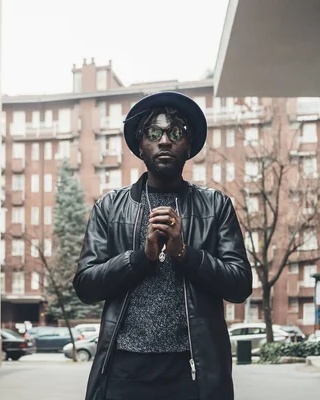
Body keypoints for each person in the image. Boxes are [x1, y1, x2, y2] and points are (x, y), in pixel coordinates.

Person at [73, 91, 252, 400]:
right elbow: (86, 285)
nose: (165, 140)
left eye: (176, 132)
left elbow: (240, 285)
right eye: (154, 133)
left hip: (191, 371)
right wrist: (142, 258)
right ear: (141, 145)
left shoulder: (216, 206)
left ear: (189, 144)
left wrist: (185, 253)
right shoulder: (110, 207)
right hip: (123, 371)